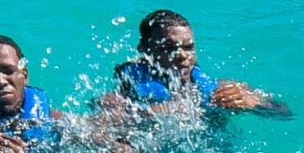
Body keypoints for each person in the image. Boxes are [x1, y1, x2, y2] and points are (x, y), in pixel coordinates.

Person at [113, 10, 285, 114]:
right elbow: (95, 128)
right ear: (144, 49)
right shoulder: (122, 97)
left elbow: (283, 112)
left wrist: (254, 102)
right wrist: (121, 143)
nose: (182, 55)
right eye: (169, 48)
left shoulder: (220, 89)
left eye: (188, 47)